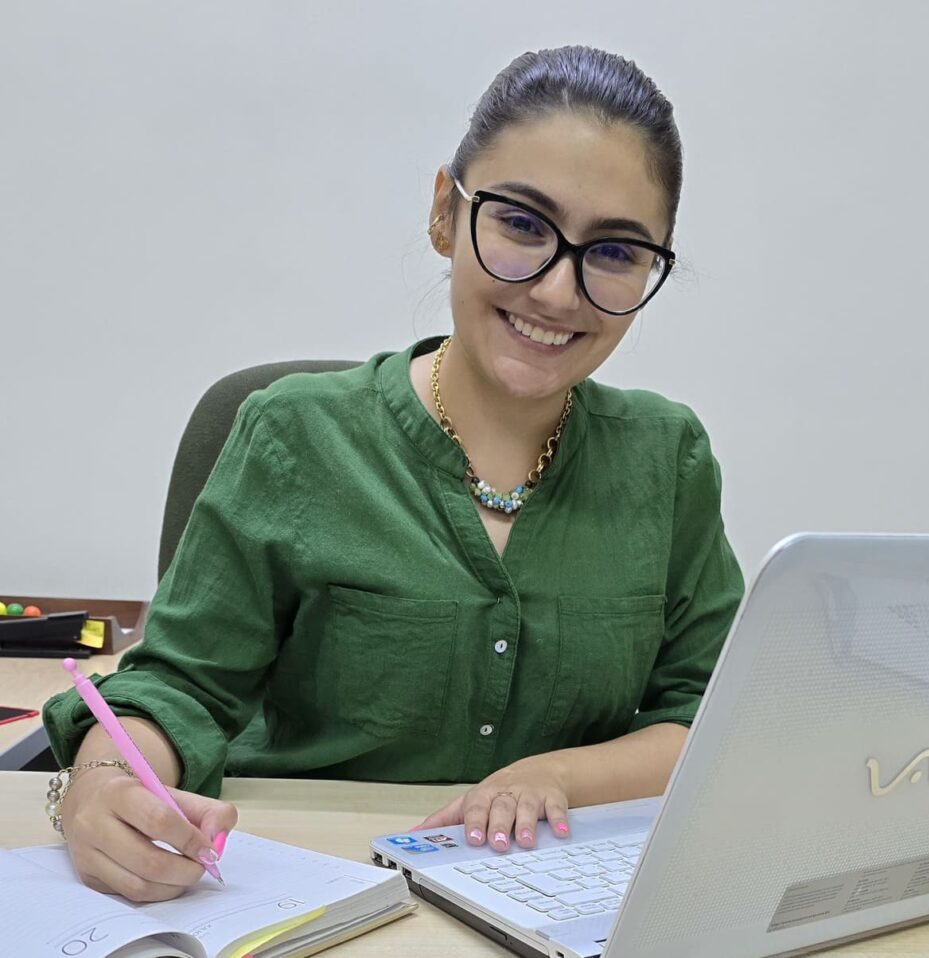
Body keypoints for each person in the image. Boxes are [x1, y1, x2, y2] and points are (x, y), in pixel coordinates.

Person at [42, 44, 744, 902]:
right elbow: (177, 688)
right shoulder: (295, 436)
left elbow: (710, 713)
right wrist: (101, 783)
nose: (560, 293)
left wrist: (555, 777)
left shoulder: (667, 459)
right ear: (447, 212)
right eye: (523, 225)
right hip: (302, 888)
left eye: (616, 252)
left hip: (560, 895)